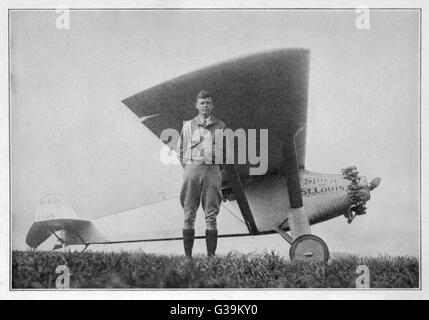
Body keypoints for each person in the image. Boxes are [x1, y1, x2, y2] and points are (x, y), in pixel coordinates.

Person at [177, 89, 228, 259]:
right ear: (196, 105)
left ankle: (211, 257)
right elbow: (181, 152)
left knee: (211, 213)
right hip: (192, 169)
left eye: (208, 103)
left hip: (212, 170)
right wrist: (191, 167)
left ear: (212, 105)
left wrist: (214, 168)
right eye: (202, 103)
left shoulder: (220, 125)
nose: (205, 106)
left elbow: (223, 151)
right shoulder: (188, 126)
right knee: (189, 212)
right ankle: (187, 258)